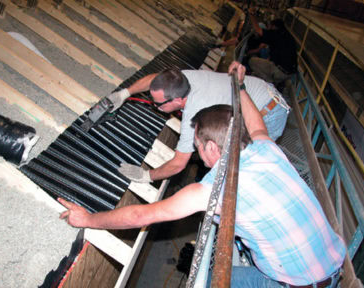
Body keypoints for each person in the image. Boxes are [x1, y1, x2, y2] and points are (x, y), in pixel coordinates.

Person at [59, 62, 346, 287]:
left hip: (296, 284)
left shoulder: (209, 190)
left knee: (207, 283)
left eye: (197, 146)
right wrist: (240, 86)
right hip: (335, 264)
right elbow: (257, 124)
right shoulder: (268, 148)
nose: (196, 151)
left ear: (211, 145)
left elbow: (140, 216)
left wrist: (87, 219)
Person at [106, 65, 289, 184]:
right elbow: (154, 79)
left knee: (243, 164)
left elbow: (178, 164)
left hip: (269, 112)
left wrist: (146, 175)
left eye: (158, 104)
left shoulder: (194, 112)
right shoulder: (181, 79)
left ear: (177, 100)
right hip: (262, 92)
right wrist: (125, 93)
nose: (154, 105)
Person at [248, 11, 298, 84]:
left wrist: (251, 14)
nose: (269, 28)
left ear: (274, 26)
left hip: (280, 72)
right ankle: (271, 80)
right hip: (290, 72)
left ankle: (269, 82)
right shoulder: (288, 36)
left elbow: (258, 30)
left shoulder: (275, 34)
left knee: (252, 61)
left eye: (270, 26)